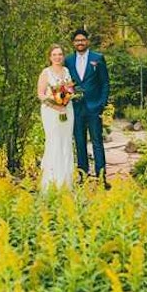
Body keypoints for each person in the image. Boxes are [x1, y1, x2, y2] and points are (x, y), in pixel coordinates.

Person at [65, 28, 111, 188]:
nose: (80, 43)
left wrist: (102, 103)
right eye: (77, 40)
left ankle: (101, 177)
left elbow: (105, 83)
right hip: (76, 108)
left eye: (82, 40)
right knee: (79, 142)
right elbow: (65, 84)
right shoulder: (68, 61)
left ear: (87, 41)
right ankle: (82, 176)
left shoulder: (98, 58)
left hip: (94, 107)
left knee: (97, 142)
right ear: (73, 43)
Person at [36, 44, 75, 190]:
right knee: (54, 142)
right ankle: (52, 182)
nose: (58, 57)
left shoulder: (66, 71)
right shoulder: (45, 73)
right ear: (50, 57)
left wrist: (64, 102)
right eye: (54, 55)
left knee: (66, 142)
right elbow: (40, 94)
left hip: (67, 110)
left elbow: (70, 89)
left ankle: (66, 182)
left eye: (60, 54)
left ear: (63, 56)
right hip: (51, 112)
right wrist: (55, 105)